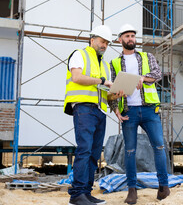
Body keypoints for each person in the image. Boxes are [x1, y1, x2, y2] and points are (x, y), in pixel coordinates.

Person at [109, 24, 170, 204]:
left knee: (159, 147)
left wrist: (143, 78)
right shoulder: (114, 63)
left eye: (133, 36)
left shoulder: (146, 57)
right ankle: (132, 190)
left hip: (149, 110)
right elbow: (111, 90)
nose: (131, 39)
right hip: (129, 111)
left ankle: (163, 187)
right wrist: (115, 110)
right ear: (120, 40)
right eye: (127, 36)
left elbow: (157, 74)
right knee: (129, 151)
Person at [64, 25, 123, 205]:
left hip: (99, 111)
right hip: (83, 108)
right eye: (102, 41)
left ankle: (86, 193)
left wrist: (117, 94)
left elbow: (105, 92)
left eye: (107, 43)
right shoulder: (79, 54)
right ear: (92, 39)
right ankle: (77, 195)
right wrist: (103, 81)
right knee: (84, 150)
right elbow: (77, 77)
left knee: (94, 154)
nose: (104, 45)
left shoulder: (104, 64)